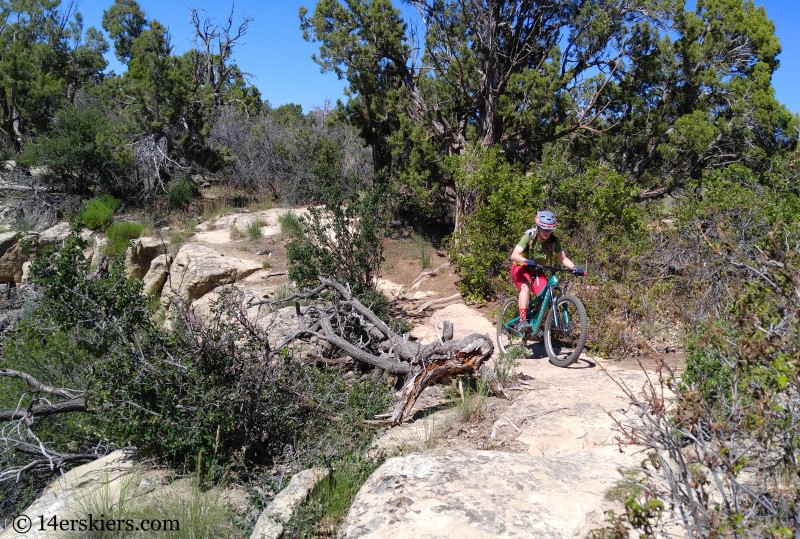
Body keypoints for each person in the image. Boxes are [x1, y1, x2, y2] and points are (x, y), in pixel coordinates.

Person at [509, 210, 584, 333]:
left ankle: (537, 325)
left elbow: (563, 259)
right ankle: (523, 320)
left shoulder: (554, 241)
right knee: (526, 286)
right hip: (521, 267)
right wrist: (526, 260)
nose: (547, 232)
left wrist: (575, 268)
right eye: (544, 229)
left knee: (546, 297)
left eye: (549, 230)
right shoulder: (529, 236)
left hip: (538, 271)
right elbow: (514, 255)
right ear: (538, 227)